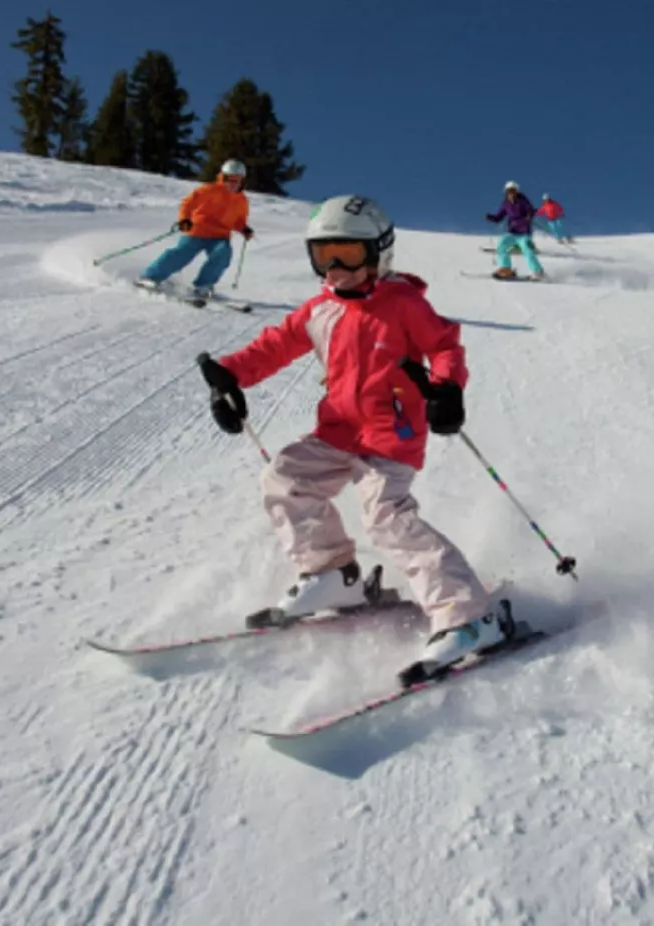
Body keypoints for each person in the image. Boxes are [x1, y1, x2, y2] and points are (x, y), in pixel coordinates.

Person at [197, 195, 507, 671]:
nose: (335, 267)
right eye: (324, 255)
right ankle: (331, 573)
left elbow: (444, 345)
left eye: (348, 253)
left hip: (392, 433)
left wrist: (447, 390)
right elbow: (274, 346)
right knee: (285, 480)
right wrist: (229, 374)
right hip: (338, 430)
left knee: (386, 517)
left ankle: (467, 615)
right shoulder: (320, 310)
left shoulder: (403, 303)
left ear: (379, 253)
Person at [136, 159, 254, 299]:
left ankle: (203, 286)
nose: (233, 183)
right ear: (223, 177)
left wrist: (244, 229)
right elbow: (188, 203)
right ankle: (150, 277)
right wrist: (184, 219)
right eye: (230, 179)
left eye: (237, 180)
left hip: (219, 235)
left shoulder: (242, 201)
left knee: (223, 253)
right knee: (181, 254)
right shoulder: (209, 190)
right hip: (198, 230)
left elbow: (238, 221)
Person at [486, 181, 545, 280]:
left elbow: (530, 210)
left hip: (524, 233)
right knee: (502, 245)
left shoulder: (523, 200)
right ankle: (506, 269)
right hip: (513, 232)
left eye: (513, 191)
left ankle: (538, 271)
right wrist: (490, 217)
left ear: (516, 191)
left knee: (528, 251)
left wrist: (528, 217)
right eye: (508, 191)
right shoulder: (506, 204)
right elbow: (499, 217)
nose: (511, 193)